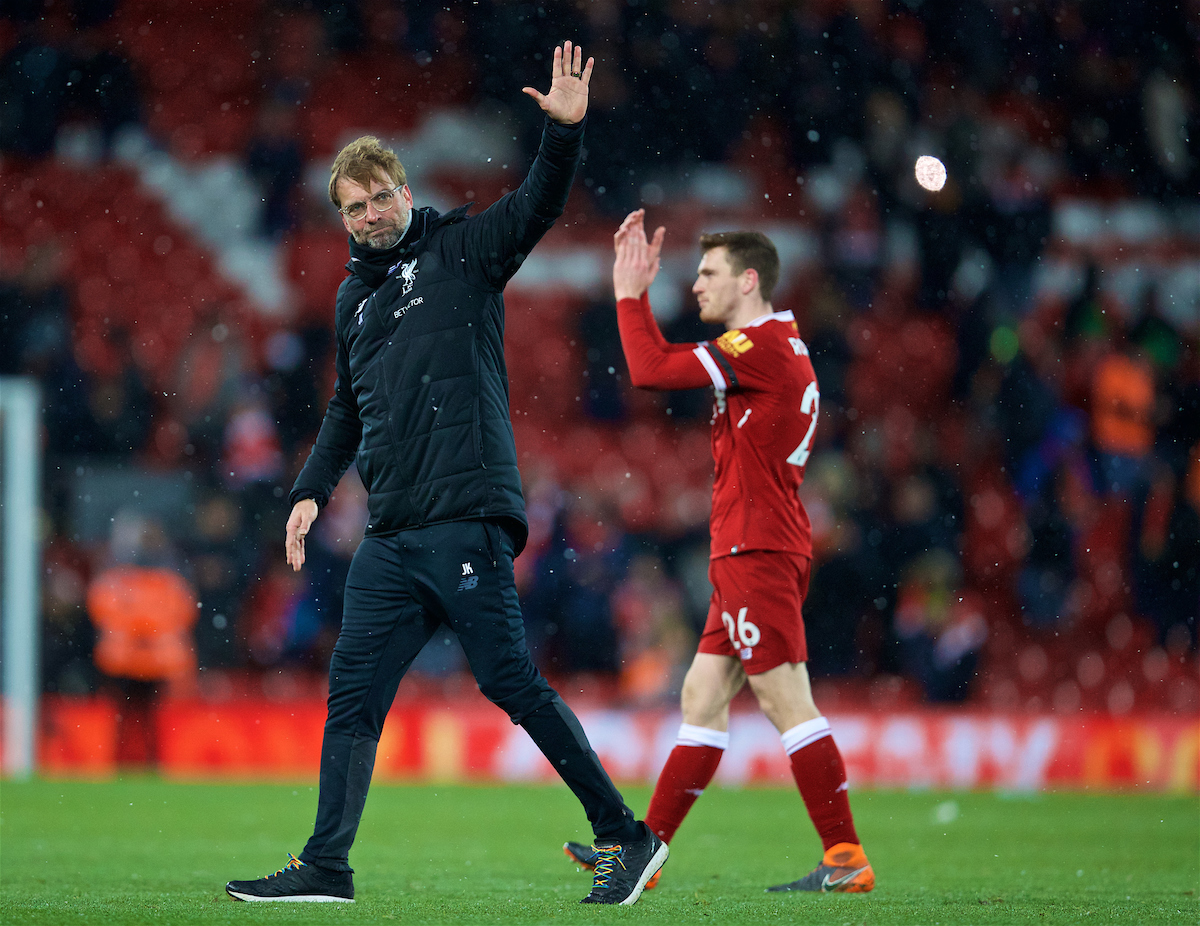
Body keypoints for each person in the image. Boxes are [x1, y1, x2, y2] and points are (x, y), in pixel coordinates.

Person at [224, 43, 667, 907]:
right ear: (343, 217)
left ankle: (628, 834)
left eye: (379, 197)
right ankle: (327, 865)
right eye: (352, 208)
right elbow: (347, 410)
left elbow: (538, 205)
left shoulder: (463, 251)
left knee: (509, 681)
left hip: (464, 516)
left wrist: (563, 132)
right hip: (391, 535)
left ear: (403, 190)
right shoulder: (353, 300)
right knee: (351, 698)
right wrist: (310, 490)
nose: (369, 215)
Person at [563, 210, 875, 893]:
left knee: (785, 698)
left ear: (749, 279)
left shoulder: (757, 345)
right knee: (702, 694)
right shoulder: (780, 345)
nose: (696, 285)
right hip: (753, 542)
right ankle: (644, 847)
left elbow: (648, 369)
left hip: (757, 546)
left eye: (708, 274)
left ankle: (846, 856)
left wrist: (629, 292)